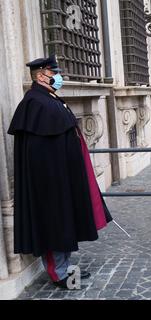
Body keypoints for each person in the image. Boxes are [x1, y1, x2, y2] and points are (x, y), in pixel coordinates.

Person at [8, 55, 112, 289]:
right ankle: (59, 273)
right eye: (53, 73)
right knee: (56, 225)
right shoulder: (35, 103)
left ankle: (65, 267)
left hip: (63, 177)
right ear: (41, 75)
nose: (58, 77)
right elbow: (39, 151)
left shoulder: (49, 98)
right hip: (51, 182)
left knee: (65, 223)